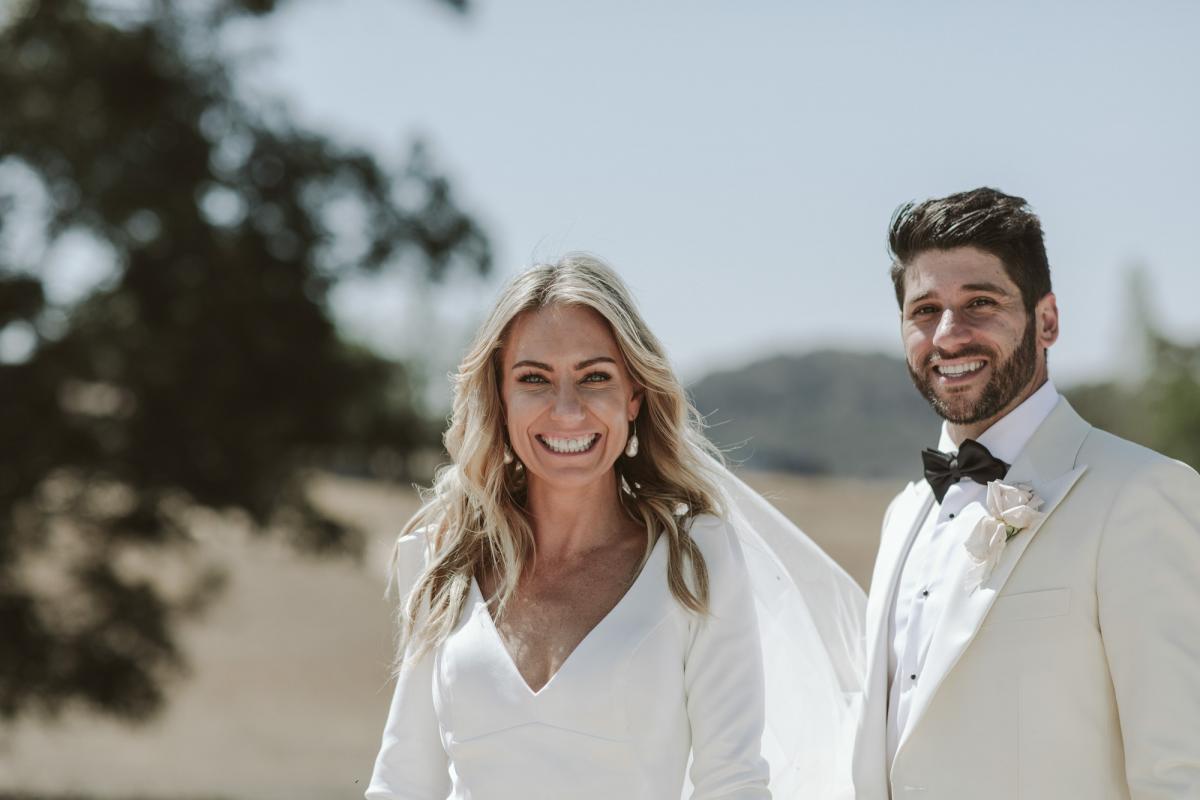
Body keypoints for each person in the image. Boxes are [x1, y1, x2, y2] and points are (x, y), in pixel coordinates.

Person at [366, 254, 864, 800]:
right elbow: (401, 783)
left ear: (634, 396)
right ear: (499, 397)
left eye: (594, 377)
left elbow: (733, 783)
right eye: (534, 378)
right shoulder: (444, 560)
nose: (567, 409)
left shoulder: (695, 559)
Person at [852, 187, 1200, 799]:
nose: (948, 336)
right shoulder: (902, 514)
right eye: (924, 310)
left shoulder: (1140, 495)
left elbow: (1181, 767)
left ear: (1047, 320)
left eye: (979, 303)